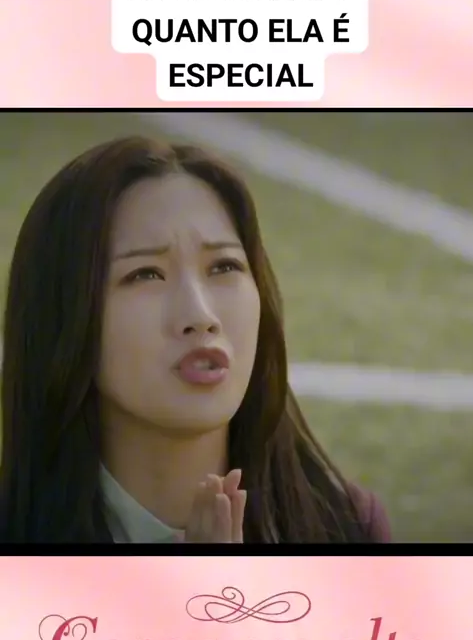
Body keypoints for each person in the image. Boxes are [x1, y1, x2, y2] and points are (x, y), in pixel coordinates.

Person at [0, 136, 391, 544]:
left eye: (224, 266)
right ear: (65, 313)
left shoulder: (349, 527)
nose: (201, 316)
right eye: (145, 274)